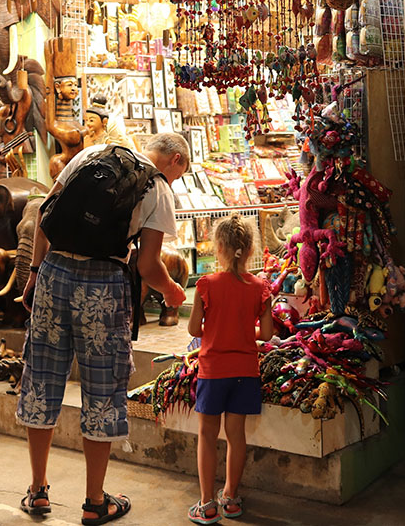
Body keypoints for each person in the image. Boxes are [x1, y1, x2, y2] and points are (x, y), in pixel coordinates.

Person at [17, 133, 190, 524]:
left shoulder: (95, 154)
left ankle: (38, 491)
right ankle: (95, 501)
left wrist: (34, 272)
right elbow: (147, 267)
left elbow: (45, 215)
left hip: (54, 274)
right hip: (103, 287)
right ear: (175, 161)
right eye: (180, 174)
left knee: (42, 379)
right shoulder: (159, 189)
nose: (176, 180)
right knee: (102, 389)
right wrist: (172, 290)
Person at [185, 214, 273, 524]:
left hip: (213, 371)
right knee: (237, 436)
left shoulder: (206, 284)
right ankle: (231, 499)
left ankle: (207, 504)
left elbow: (194, 329)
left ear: (218, 248)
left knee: (207, 435)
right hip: (245, 371)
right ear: (249, 250)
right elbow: (267, 334)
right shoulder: (261, 287)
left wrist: (215, 325)